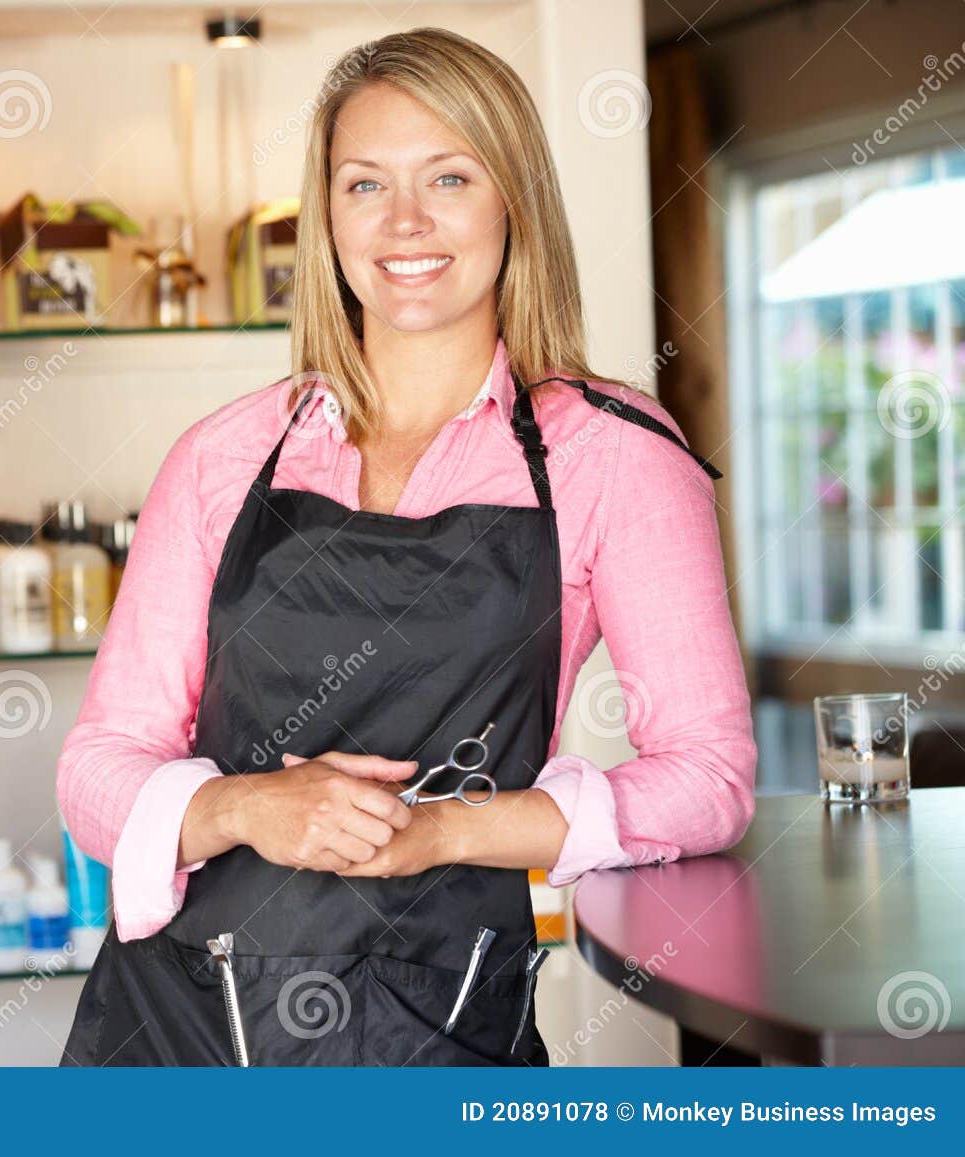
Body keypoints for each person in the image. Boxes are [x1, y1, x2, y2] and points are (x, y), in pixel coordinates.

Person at [56, 26, 756, 1066]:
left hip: (429, 1022)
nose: (406, 223)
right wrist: (246, 805)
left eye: (449, 176)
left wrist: (445, 827)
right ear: (327, 215)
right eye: (363, 185)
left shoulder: (612, 457)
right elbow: (95, 768)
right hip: (171, 1025)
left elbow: (710, 776)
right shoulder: (225, 456)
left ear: (512, 198)